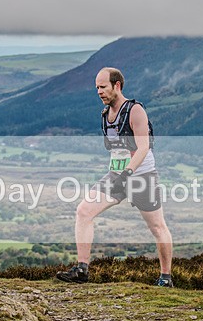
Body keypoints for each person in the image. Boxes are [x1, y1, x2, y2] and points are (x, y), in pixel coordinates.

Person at [56, 68, 173, 286]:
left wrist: (128, 172)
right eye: (97, 88)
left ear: (117, 85)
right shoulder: (105, 114)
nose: (99, 92)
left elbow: (144, 147)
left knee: (157, 227)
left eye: (103, 87)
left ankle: (166, 277)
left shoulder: (135, 110)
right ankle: (82, 269)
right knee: (84, 210)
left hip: (141, 176)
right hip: (116, 176)